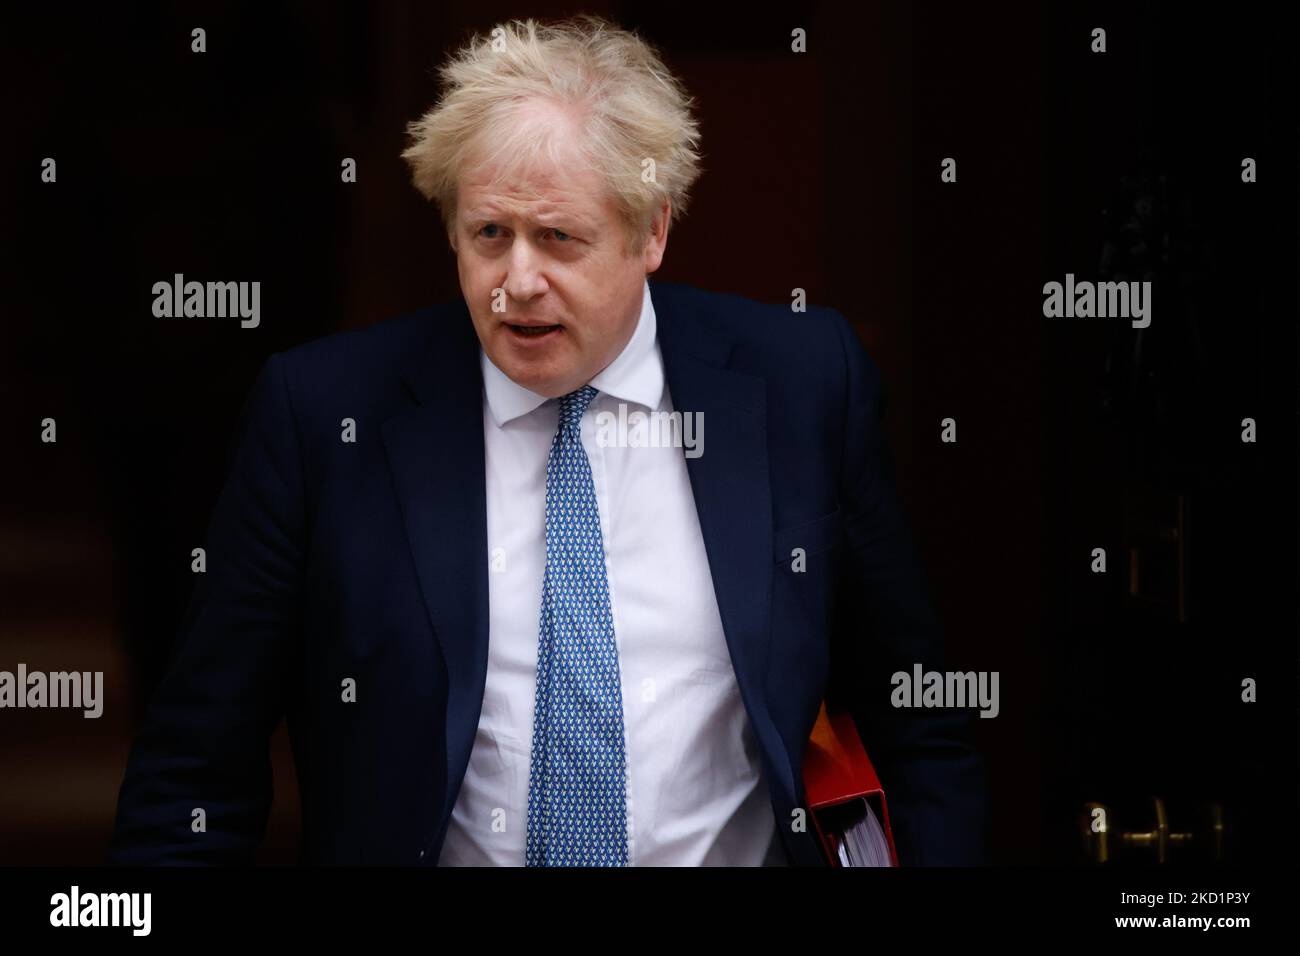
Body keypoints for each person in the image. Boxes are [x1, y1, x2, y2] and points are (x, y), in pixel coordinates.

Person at [108, 15, 988, 867]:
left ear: (653, 231)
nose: (516, 283)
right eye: (489, 235)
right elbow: (197, 766)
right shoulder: (323, 418)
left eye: (559, 238)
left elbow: (920, 721)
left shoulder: (802, 387)